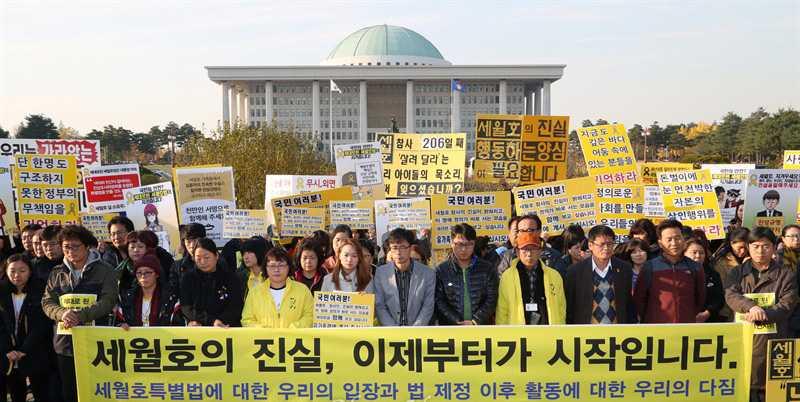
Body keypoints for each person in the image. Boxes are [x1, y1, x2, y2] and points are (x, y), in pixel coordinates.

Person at [42, 225, 118, 402]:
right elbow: (47, 302)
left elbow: (109, 300)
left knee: (98, 390)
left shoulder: (105, 270)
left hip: (96, 342)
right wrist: (61, 313)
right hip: (65, 343)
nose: (70, 251)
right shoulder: (57, 272)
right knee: (70, 391)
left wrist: (80, 316)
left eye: (75, 246)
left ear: (87, 246)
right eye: (66, 247)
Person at [725, 227, 798, 402]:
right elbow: (731, 295)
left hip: (775, 340)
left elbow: (788, 303)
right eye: (756, 246)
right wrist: (750, 307)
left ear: (774, 248)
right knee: (745, 386)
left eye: (765, 246)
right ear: (749, 247)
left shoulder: (786, 274)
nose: (760, 251)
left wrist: (764, 314)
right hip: (744, 337)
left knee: (771, 388)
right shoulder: (737, 272)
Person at [0, 254, 51, 402]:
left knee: (41, 392)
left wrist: (24, 349)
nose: (17, 275)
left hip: (34, 350)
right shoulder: (2, 291)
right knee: (16, 393)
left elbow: (41, 324)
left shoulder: (41, 290)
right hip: (7, 353)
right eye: (12, 271)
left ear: (30, 271)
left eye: (22, 270)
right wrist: (8, 349)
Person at [633, 219, 705, 324]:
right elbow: (639, 299)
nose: (674, 243)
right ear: (660, 243)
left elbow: (700, 299)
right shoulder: (650, 267)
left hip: (686, 327)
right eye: (669, 239)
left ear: (683, 240)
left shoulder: (695, 267)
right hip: (657, 328)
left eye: (678, 238)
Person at [565, 225, 634, 325]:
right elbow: (570, 306)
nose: (606, 248)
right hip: (587, 333)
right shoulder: (575, 271)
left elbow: (628, 304)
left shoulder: (624, 269)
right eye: (601, 244)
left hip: (617, 333)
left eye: (610, 244)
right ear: (590, 245)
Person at [496, 230, 565, 325]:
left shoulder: (554, 276)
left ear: (540, 250)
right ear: (517, 251)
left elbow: (561, 309)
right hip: (518, 333)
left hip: (548, 332)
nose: (529, 254)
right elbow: (502, 311)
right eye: (524, 249)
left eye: (533, 249)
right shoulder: (507, 276)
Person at [434, 223, 498, 325]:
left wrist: (475, 321)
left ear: (474, 244)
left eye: (469, 244)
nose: (463, 249)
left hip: (481, 327)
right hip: (451, 328)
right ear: (451, 243)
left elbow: (492, 298)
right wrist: (456, 320)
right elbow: (439, 301)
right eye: (459, 244)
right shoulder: (442, 270)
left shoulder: (487, 269)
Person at [373, 228, 436, 326]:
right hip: (390, 334)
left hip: (418, 334)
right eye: (394, 247)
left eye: (403, 247)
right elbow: (380, 305)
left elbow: (428, 306)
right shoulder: (381, 273)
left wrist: (413, 331)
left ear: (410, 248)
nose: (398, 252)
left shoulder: (428, 273)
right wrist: (394, 330)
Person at [241, 248, 314, 328]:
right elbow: (247, 319)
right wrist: (262, 330)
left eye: (281, 265)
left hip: (293, 339)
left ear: (288, 267)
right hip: (265, 339)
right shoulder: (254, 293)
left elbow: (310, 315)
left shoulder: (302, 290)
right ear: (266, 268)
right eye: (272, 266)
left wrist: (295, 328)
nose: (276, 270)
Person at [179, 238, 243, 327]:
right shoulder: (188, 278)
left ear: (216, 256)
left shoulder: (230, 277)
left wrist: (220, 320)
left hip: (226, 328)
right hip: (198, 327)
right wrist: (210, 320)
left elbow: (236, 306)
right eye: (198, 258)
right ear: (193, 258)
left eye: (207, 257)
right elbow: (186, 307)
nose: (203, 262)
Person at [118, 255, 180, 328]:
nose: (143, 276)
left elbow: (177, 323)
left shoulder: (170, 298)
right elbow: (120, 320)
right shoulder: (128, 298)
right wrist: (121, 325)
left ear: (156, 274)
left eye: (147, 272)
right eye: (139, 273)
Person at [496, 214, 561, 275]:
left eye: (529, 230)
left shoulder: (553, 257)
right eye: (521, 230)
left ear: (539, 231)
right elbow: (501, 280)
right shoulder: (509, 256)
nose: (525, 234)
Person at [684, 235, 724, 323]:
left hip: (709, 321)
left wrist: (707, 313)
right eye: (694, 252)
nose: (698, 256)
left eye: (701, 253)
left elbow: (719, 298)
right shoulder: (678, 273)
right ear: (684, 253)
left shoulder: (713, 274)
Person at [169, 223, 206, 296]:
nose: (192, 245)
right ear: (184, 243)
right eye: (188, 241)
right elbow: (173, 291)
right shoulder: (177, 266)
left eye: (195, 240)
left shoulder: (216, 261)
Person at [777, 224, 800, 337]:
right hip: (784, 307)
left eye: (799, 236)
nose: (796, 239)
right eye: (792, 236)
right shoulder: (776, 258)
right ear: (783, 238)